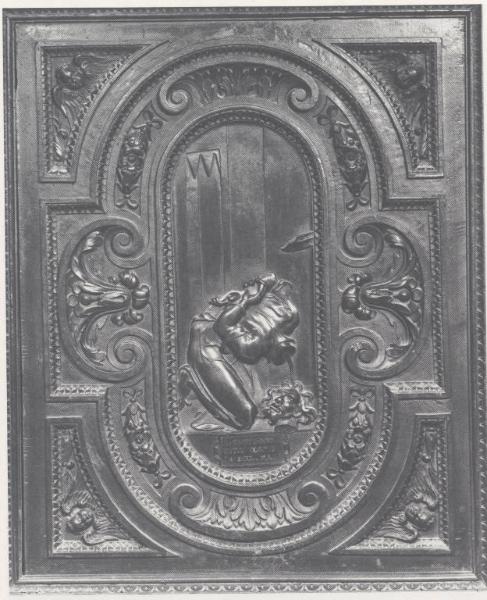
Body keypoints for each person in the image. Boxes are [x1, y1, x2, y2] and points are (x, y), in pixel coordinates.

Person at [181, 273, 299, 430]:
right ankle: (191, 378)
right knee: (246, 416)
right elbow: (222, 326)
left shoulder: (289, 316)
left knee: (246, 394)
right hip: (204, 348)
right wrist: (247, 300)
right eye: (271, 359)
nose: (267, 360)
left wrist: (260, 287)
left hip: (209, 335)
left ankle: (206, 386)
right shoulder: (251, 348)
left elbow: (271, 280)